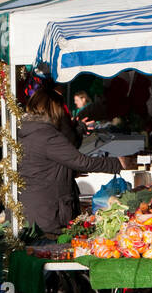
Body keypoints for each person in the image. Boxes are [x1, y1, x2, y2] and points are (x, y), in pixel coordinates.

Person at [19, 85, 124, 237]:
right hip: (48, 214)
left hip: (32, 209)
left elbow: (43, 165)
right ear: (54, 109)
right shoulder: (47, 135)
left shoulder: (26, 131)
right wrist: (118, 163)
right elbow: (81, 161)